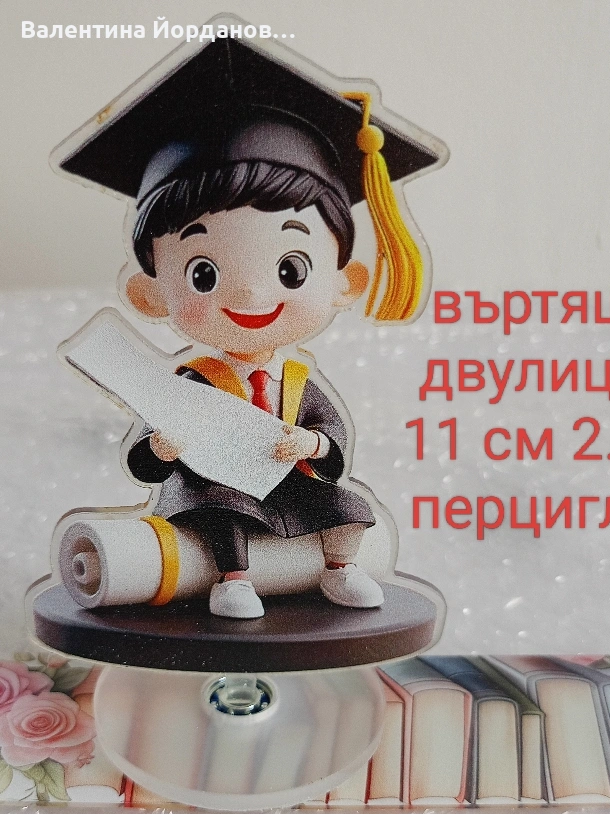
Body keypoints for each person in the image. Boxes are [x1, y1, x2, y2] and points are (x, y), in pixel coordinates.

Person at [55, 30, 445, 619]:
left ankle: (339, 568)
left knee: (344, 505)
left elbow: (329, 433)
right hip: (212, 488)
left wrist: (311, 444)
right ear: (149, 294)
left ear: (345, 284)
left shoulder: (297, 383)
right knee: (224, 509)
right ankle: (231, 579)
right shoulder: (191, 380)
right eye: (203, 274)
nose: (252, 296)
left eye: (292, 269)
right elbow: (145, 452)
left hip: (290, 483)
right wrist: (161, 449)